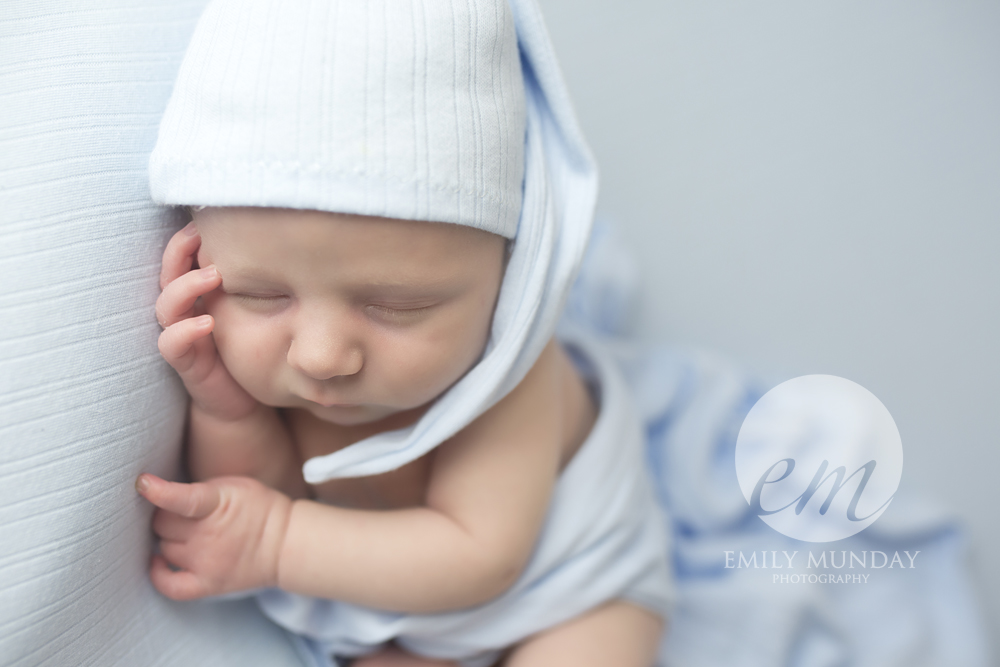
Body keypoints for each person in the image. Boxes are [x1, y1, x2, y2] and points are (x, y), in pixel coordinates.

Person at [135, 0, 674, 665]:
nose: (323, 355)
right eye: (261, 295)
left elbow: (480, 555)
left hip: (560, 589)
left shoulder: (511, 375)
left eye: (398, 306)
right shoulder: (282, 369)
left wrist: (274, 542)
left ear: (511, 281)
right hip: (370, 598)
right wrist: (226, 408)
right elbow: (261, 492)